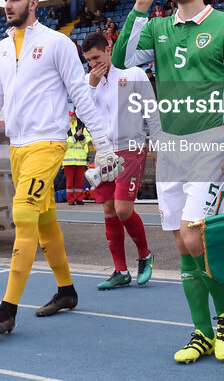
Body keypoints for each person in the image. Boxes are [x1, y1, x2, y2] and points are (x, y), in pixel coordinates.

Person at [0, 0, 121, 336]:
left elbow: (80, 93)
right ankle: (66, 291)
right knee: (44, 222)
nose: (8, 5)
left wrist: (102, 143)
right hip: (18, 147)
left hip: (48, 143)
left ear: (33, 4)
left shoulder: (57, 43)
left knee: (24, 217)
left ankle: (7, 309)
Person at [112, 0, 224, 364]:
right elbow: (122, 60)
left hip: (210, 144)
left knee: (196, 238)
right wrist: (140, 4)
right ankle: (201, 331)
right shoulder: (157, 26)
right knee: (181, 245)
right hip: (170, 146)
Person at [80, 31, 159, 288]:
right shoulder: (88, 82)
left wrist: (157, 142)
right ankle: (120, 271)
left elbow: (151, 109)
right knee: (108, 210)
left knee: (123, 209)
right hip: (103, 152)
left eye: (96, 57)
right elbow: (82, 114)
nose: (94, 64)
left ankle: (145, 255)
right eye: (89, 60)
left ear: (109, 49)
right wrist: (91, 84)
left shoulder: (133, 74)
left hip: (131, 148)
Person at [62, 111, 91, 205]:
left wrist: (81, 136)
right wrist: (76, 136)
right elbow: (65, 143)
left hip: (80, 161)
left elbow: (87, 140)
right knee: (69, 183)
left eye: (74, 116)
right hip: (69, 161)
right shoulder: (65, 128)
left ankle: (79, 199)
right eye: (71, 116)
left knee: (79, 182)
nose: (73, 117)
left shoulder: (81, 128)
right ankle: (70, 200)